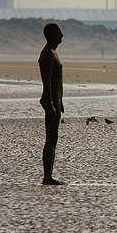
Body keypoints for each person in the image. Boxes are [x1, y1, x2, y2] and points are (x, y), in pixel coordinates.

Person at [38, 23, 65, 185]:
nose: (62, 36)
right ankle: (47, 177)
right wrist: (50, 103)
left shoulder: (53, 53)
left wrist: (60, 102)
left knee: (53, 139)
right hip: (50, 102)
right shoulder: (48, 54)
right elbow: (47, 81)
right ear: (52, 35)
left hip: (55, 101)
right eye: (60, 33)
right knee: (50, 140)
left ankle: (49, 175)